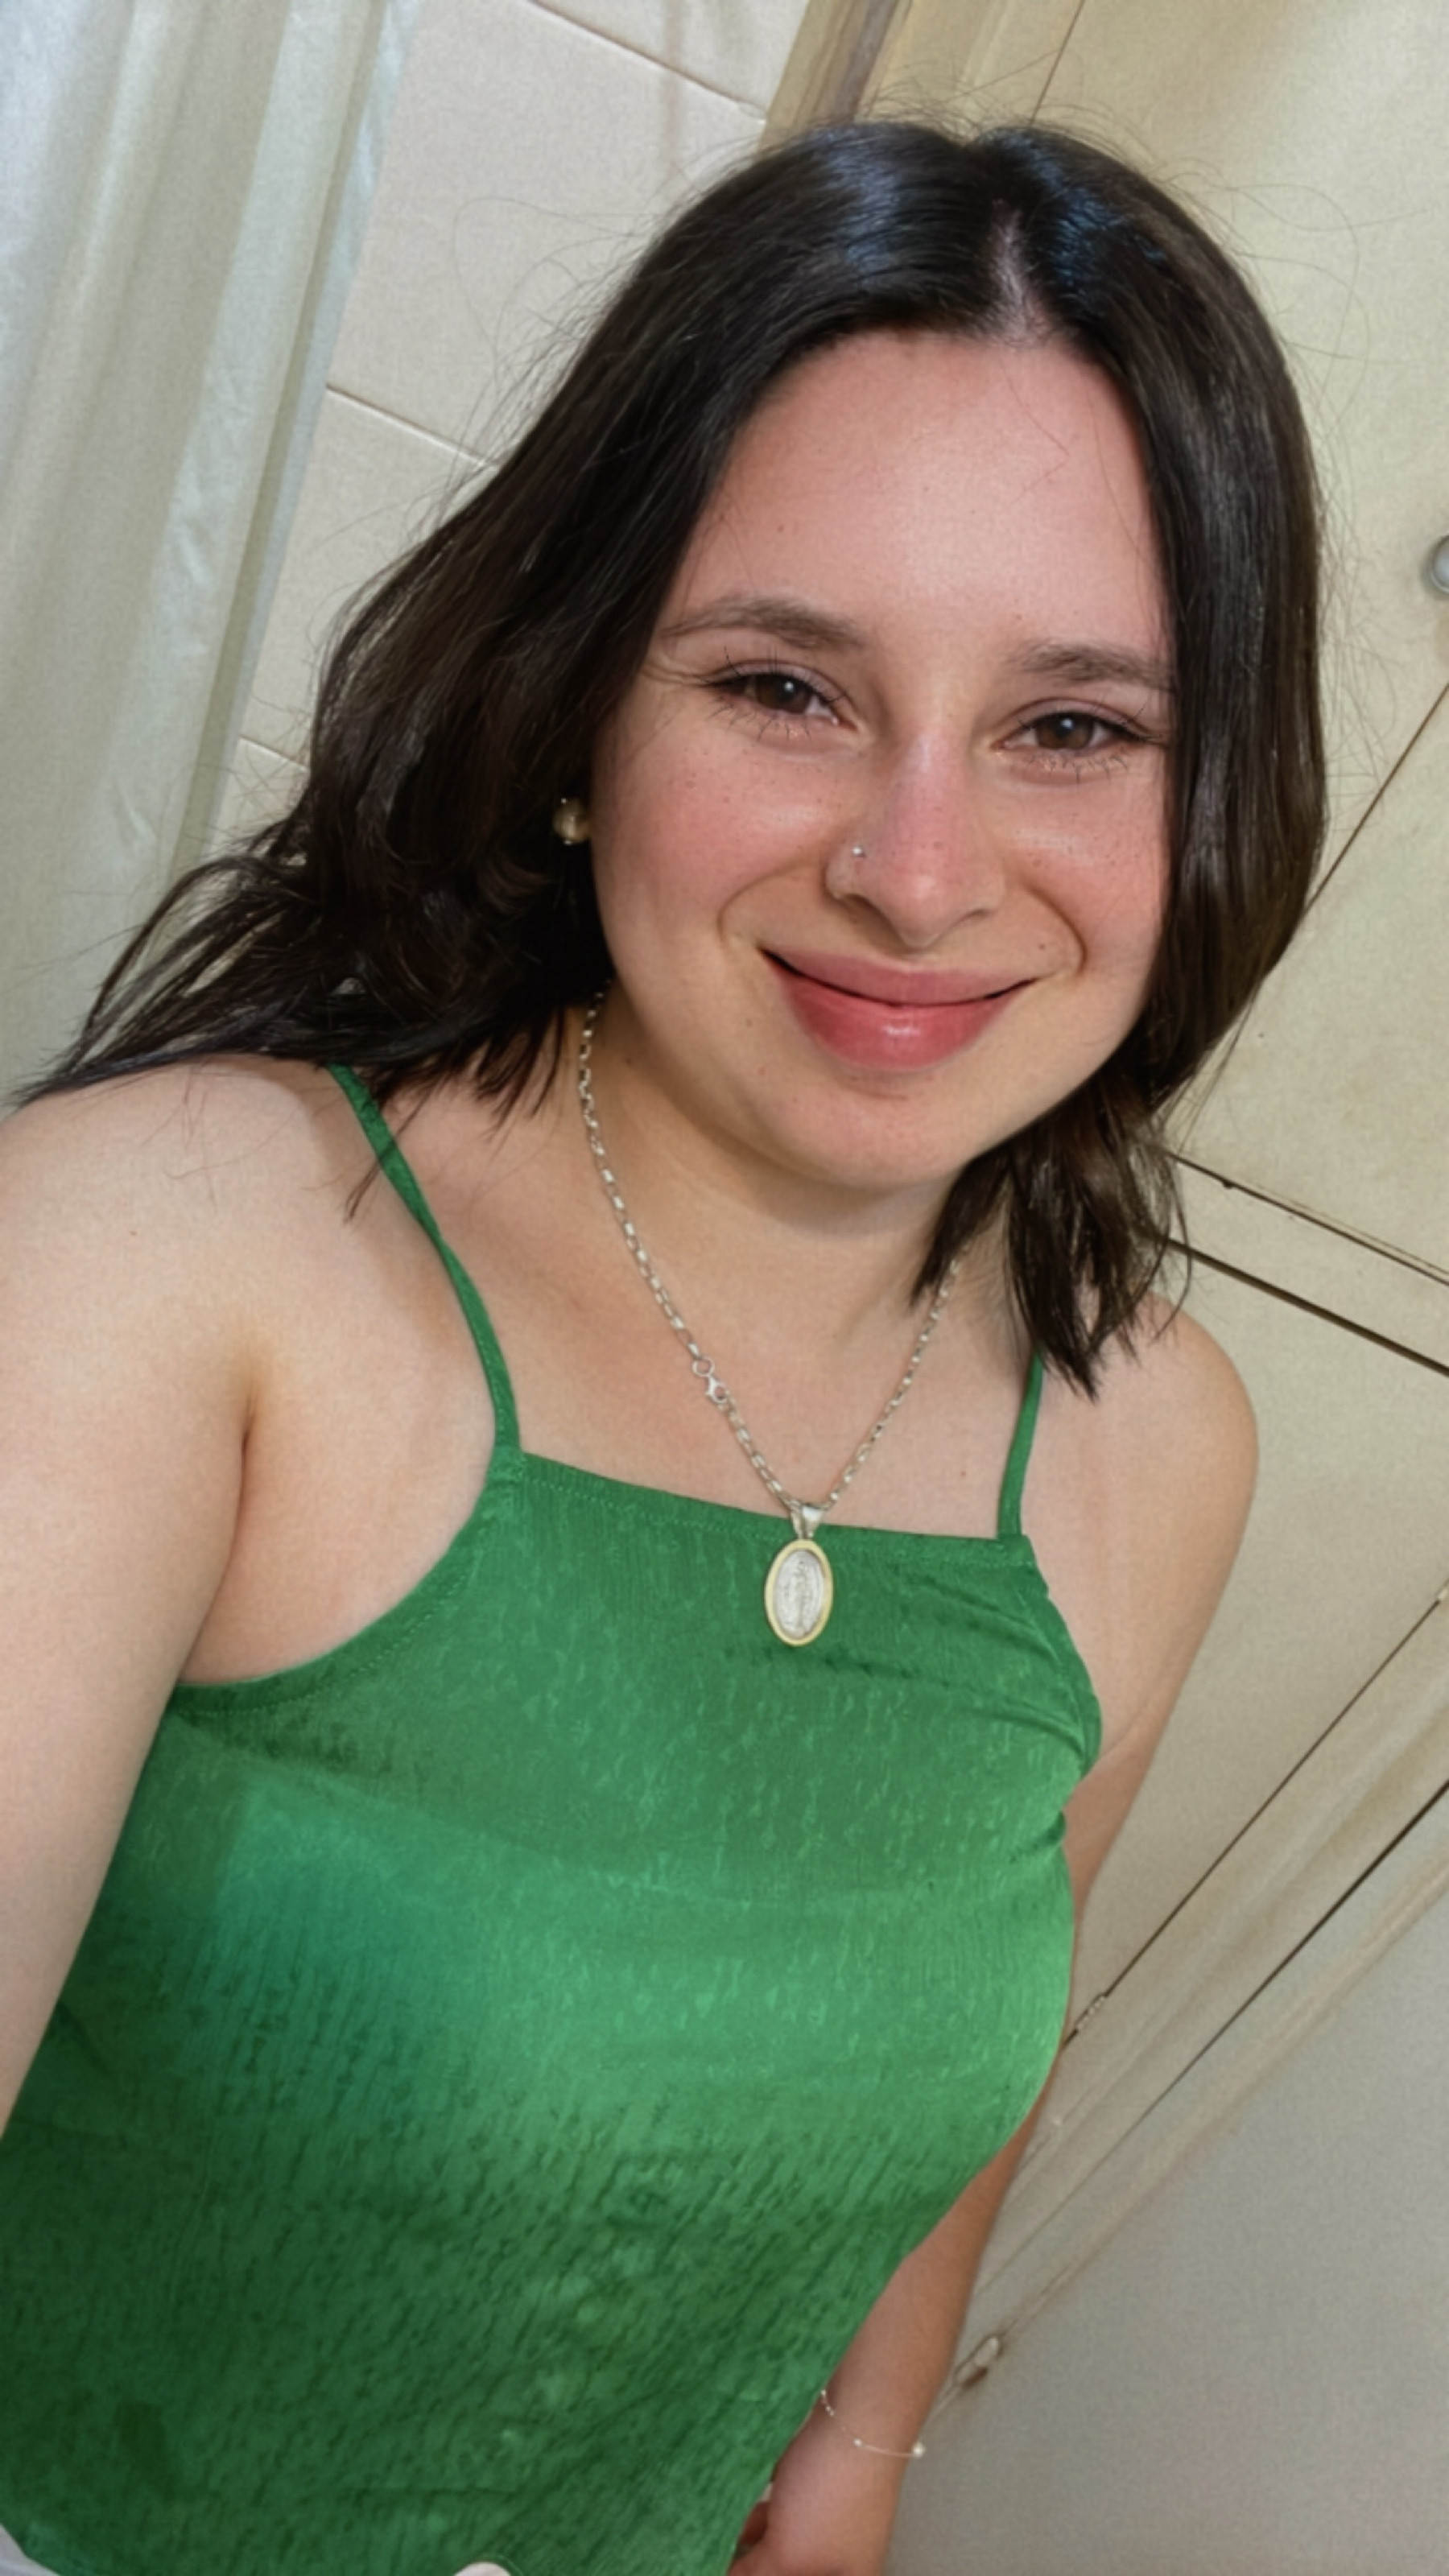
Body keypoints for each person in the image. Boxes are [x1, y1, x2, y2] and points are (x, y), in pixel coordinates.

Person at [0, 115, 1323, 2576]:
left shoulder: (1153, 1441)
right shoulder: (166, 1262)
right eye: (786, 686)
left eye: (1071, 728)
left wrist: (854, 2462)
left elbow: (965, 2072)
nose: (917, 871)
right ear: (583, 703)